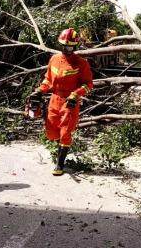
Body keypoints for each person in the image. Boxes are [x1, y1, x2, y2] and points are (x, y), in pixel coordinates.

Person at [29, 28, 93, 176]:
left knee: (65, 132)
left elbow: (88, 84)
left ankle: (60, 164)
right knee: (51, 132)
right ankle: (59, 148)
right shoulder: (54, 59)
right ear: (60, 45)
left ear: (75, 46)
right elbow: (48, 80)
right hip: (54, 99)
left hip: (70, 101)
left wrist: (76, 95)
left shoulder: (81, 63)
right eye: (64, 46)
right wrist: (40, 90)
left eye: (70, 46)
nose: (67, 49)